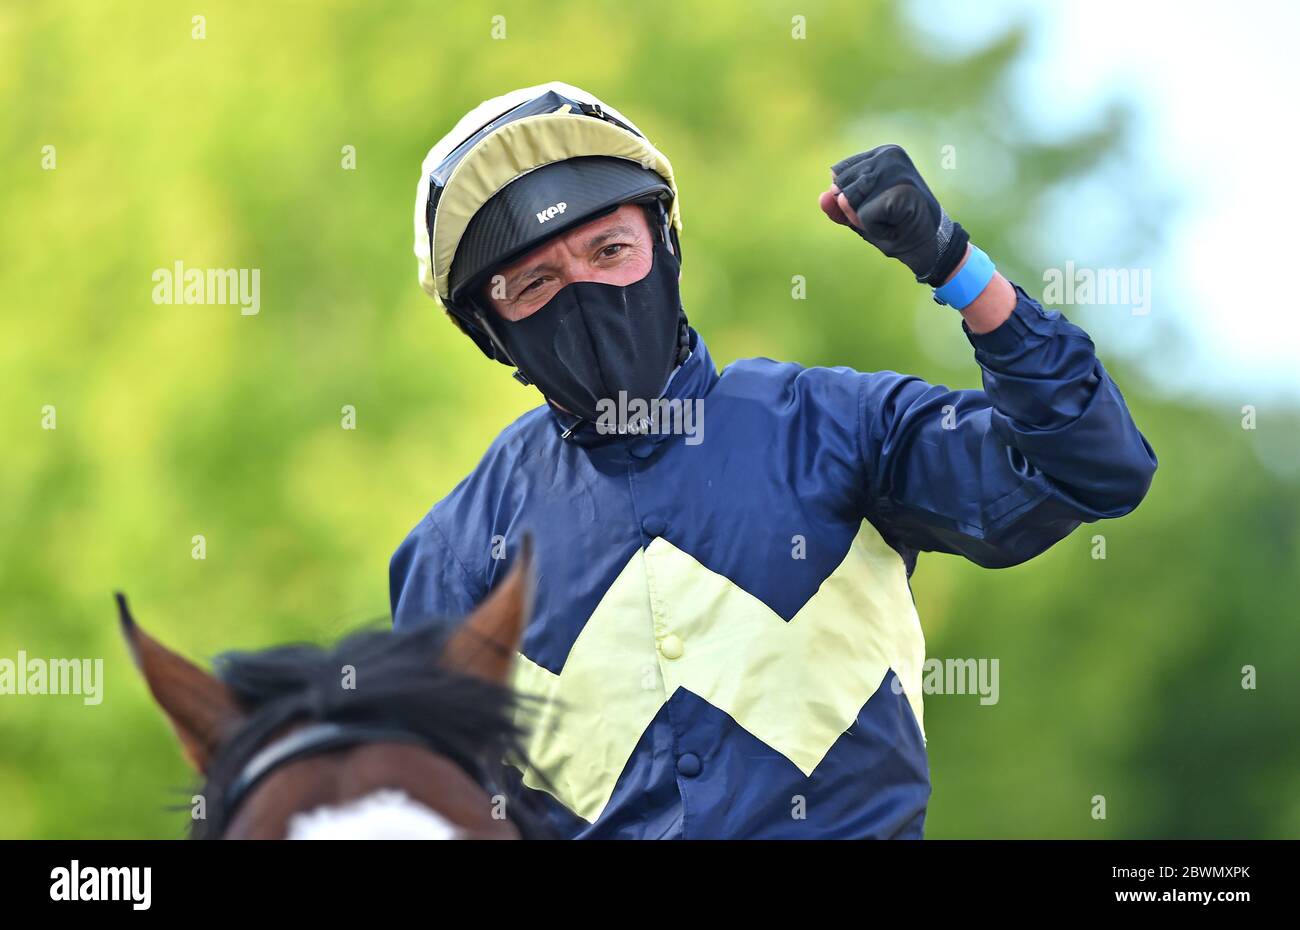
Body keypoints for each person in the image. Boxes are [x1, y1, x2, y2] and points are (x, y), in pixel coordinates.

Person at [391, 82, 1157, 838]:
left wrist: (955, 266)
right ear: (492, 335)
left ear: (666, 247)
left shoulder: (835, 425)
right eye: (535, 283)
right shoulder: (455, 557)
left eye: (610, 249)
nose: (584, 291)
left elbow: (1092, 466)